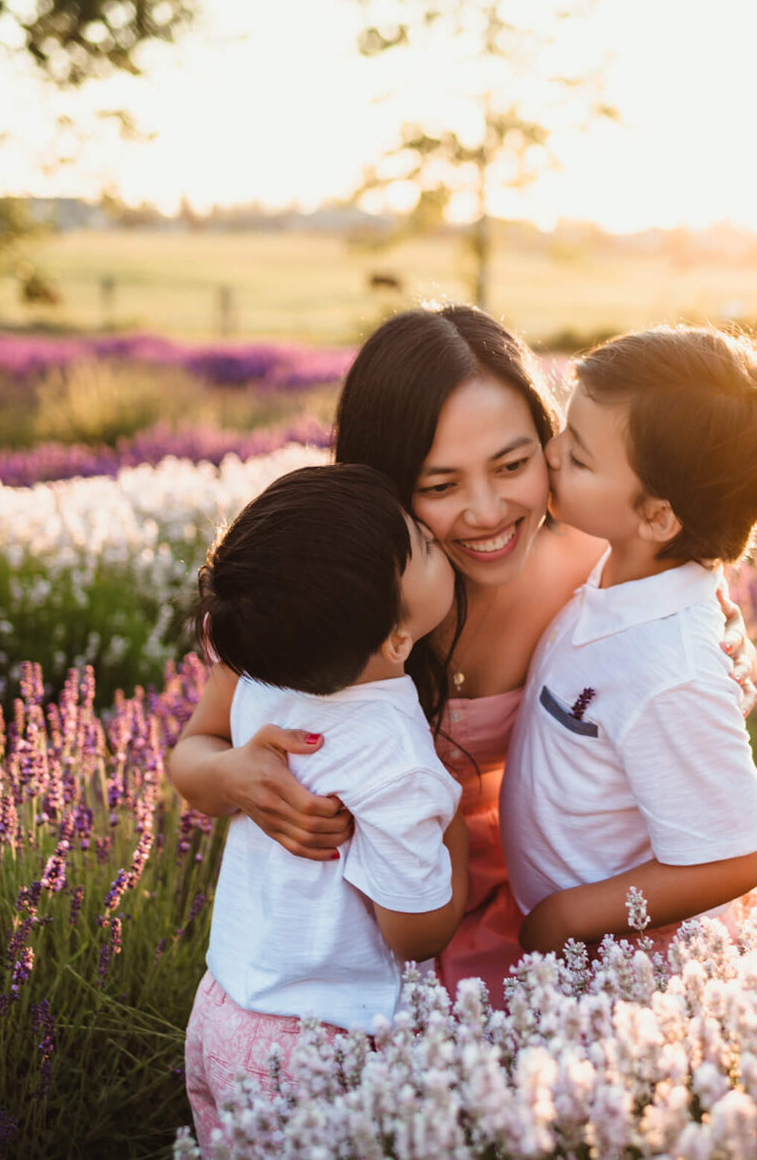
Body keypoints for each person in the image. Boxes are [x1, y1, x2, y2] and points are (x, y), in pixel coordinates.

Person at [173, 306, 757, 1006]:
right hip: (367, 928)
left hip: (538, 901)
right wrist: (237, 777)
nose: (487, 513)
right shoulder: (334, 596)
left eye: (513, 466)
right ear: (385, 482)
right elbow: (193, 755)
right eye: (441, 486)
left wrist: (723, 632)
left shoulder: (595, 570)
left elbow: (675, 624)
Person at [165, 464, 469, 1139]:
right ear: (397, 639)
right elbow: (415, 931)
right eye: (421, 545)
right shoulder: (394, 754)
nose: (433, 535)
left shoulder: (269, 658)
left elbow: (194, 743)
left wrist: (227, 765)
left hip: (222, 1008)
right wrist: (455, 832)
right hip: (322, 1044)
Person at [503, 326, 757, 952]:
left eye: (579, 458)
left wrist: (566, 918)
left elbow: (738, 858)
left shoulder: (673, 668)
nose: (549, 454)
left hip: (619, 964)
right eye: (564, 430)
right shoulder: (625, 562)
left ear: (659, 516)